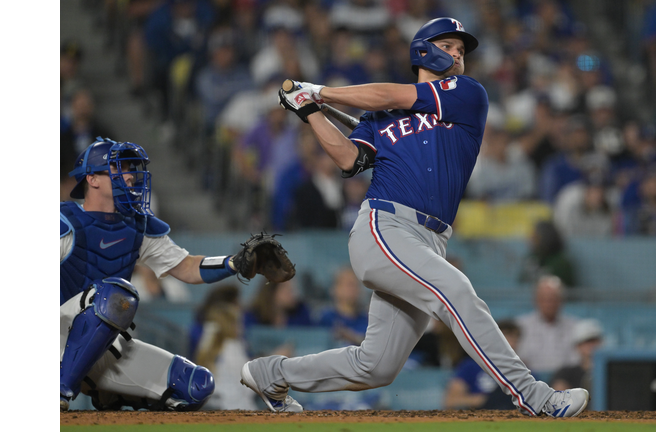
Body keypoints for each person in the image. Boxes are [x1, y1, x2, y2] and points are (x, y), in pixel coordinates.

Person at [240, 17, 589, 418]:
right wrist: (310, 111)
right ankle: (535, 396)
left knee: (376, 365)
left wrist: (321, 91)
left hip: (430, 240)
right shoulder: (379, 115)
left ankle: (272, 373)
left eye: (462, 50)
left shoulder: (466, 92)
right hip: (384, 226)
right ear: (424, 48)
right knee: (457, 292)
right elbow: (349, 159)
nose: (458, 54)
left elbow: (393, 94)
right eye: (450, 46)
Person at [59, 138, 263, 411]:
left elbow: (188, 267)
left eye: (131, 168)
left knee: (195, 385)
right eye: (120, 168)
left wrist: (235, 263)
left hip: (101, 348)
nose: (130, 176)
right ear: (92, 179)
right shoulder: (64, 222)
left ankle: (110, 392)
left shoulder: (136, 227)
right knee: (116, 295)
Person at [443, 320, 521, 409]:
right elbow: (450, 401)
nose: (512, 344)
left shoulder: (522, 372)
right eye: (506, 340)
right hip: (479, 415)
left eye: (515, 340)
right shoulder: (471, 367)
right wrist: (486, 400)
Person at [515, 276, 581, 379]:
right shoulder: (521, 326)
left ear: (561, 301)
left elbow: (576, 361)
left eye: (553, 299)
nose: (549, 304)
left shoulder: (575, 326)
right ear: (536, 300)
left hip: (566, 382)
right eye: (544, 299)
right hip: (530, 381)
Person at [551, 318, 604, 399]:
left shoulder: (609, 372)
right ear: (578, 346)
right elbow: (558, 399)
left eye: (594, 341)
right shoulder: (566, 373)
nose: (591, 346)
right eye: (587, 341)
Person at [317, 267, 369, 348]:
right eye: (349, 284)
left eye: (356, 285)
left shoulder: (367, 319)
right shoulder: (325, 318)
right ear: (336, 289)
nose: (353, 289)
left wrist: (353, 337)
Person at [519, 220, 577, 287]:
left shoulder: (561, 263)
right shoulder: (531, 258)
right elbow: (522, 282)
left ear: (546, 237)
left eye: (536, 236)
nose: (531, 238)